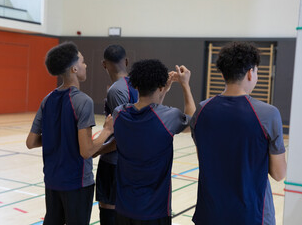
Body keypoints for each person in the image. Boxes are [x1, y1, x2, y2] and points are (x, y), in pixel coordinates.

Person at [190, 42, 287, 225]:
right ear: (251, 72)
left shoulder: (202, 110)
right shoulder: (268, 114)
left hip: (209, 215)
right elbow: (278, 173)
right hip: (251, 215)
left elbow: (202, 156)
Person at [26, 41, 114, 225]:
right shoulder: (83, 101)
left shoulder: (47, 100)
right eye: (82, 61)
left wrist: (58, 136)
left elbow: (31, 142)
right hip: (77, 183)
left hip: (51, 181)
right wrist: (106, 131)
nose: (85, 65)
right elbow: (86, 151)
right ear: (74, 68)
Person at [112, 59, 196, 224]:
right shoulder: (169, 116)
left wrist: (162, 91)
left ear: (135, 85)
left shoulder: (118, 114)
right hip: (154, 210)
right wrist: (185, 84)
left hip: (123, 207)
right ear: (160, 86)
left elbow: (150, 112)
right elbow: (193, 123)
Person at [94, 45, 138, 225]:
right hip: (134, 163)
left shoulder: (116, 91)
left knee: (108, 209)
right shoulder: (137, 86)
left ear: (104, 64)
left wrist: (96, 150)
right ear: (126, 62)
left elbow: (123, 136)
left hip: (114, 163)